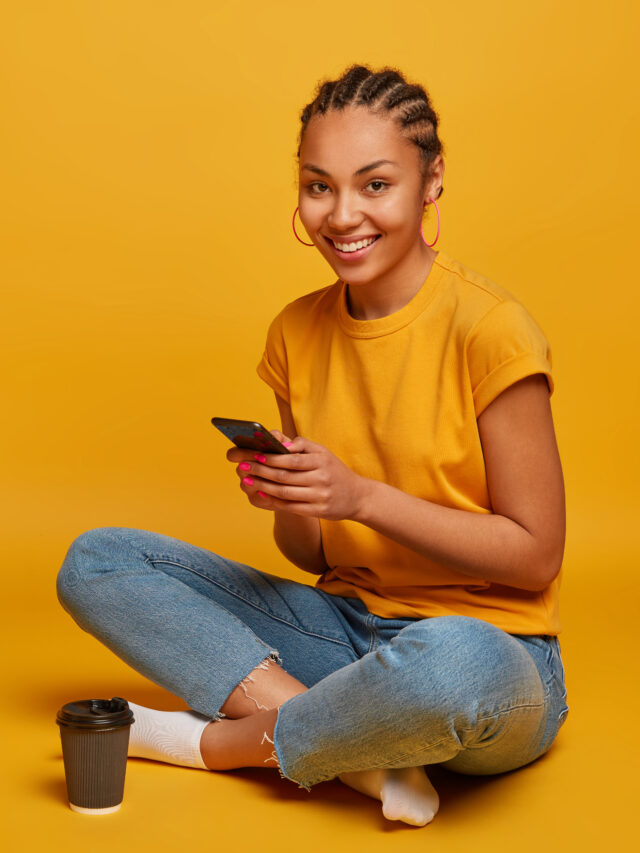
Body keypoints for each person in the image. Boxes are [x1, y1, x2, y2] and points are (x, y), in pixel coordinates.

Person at [56, 64, 569, 828]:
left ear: (431, 182)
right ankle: (364, 753)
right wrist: (291, 501)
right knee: (96, 562)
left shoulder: (491, 330)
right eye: (318, 185)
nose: (342, 214)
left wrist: (362, 495)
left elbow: (535, 556)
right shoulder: (296, 332)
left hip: (495, 657)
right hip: (346, 636)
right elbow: (311, 556)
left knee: (453, 663)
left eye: (375, 184)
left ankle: (219, 744)